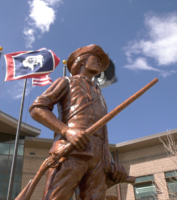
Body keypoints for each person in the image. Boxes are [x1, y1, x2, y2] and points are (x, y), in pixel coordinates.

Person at [29, 44, 128, 200]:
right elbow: (37, 108)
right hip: (71, 151)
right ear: (82, 61)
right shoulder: (66, 82)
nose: (100, 63)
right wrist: (67, 131)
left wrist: (110, 161)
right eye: (96, 59)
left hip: (98, 160)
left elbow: (103, 132)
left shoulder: (100, 96)